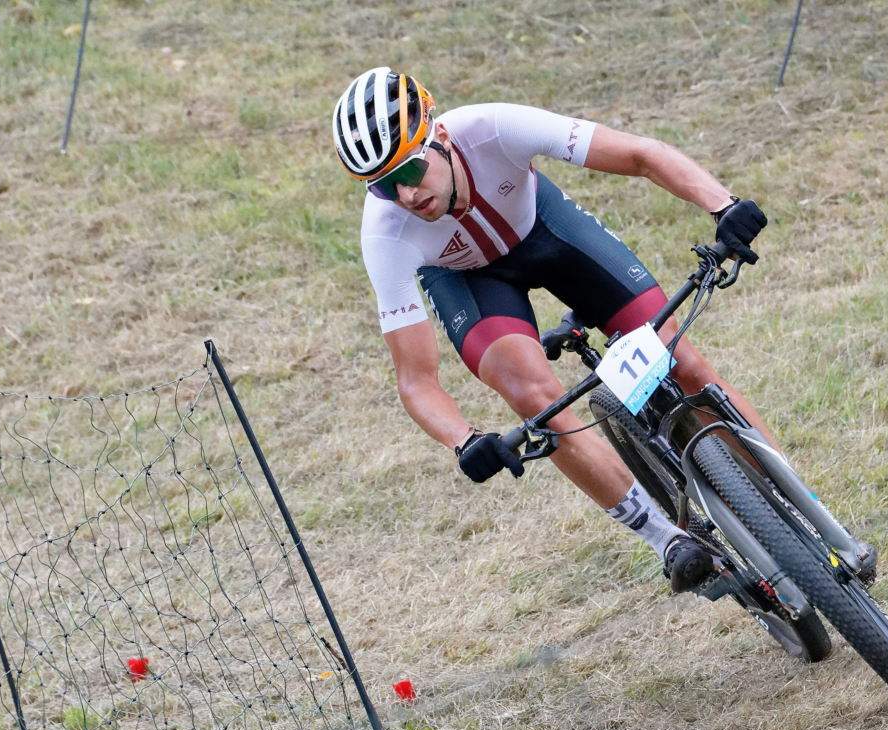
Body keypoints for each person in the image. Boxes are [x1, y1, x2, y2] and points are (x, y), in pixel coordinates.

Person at [333, 67, 790, 593]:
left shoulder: (492, 128)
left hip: (546, 232)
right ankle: (666, 539)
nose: (406, 195)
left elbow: (640, 155)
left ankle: (799, 507)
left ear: (438, 135)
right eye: (384, 186)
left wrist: (723, 204)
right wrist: (463, 440)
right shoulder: (385, 234)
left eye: (410, 170)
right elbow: (415, 380)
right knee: (534, 397)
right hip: (469, 283)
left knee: (679, 359)